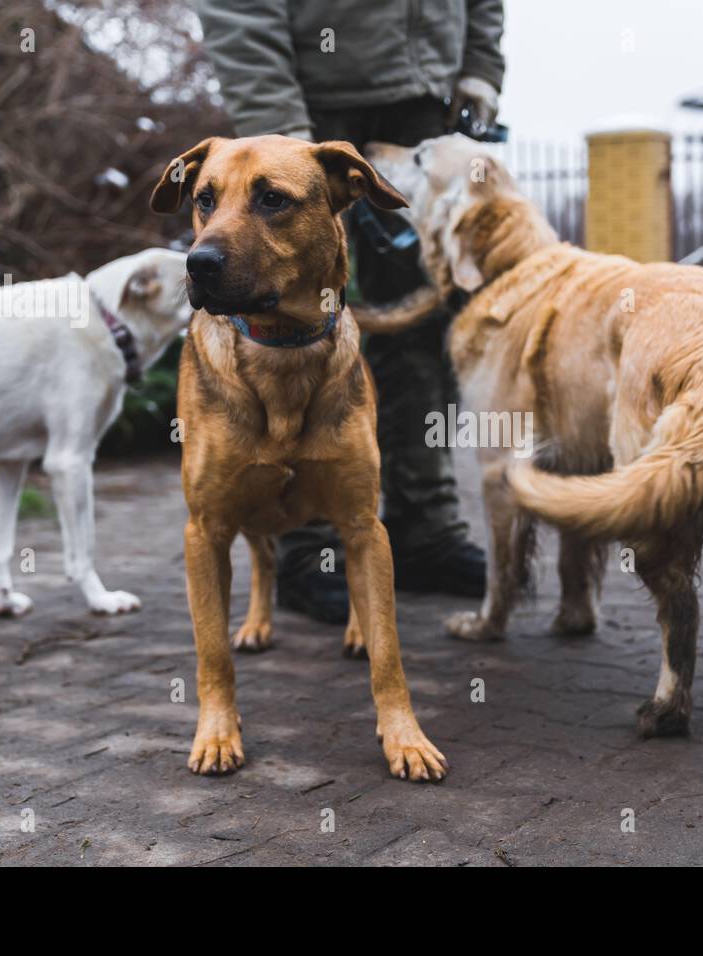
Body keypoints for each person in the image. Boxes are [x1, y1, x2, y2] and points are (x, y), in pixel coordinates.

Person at [194, 0, 505, 623]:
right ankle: (307, 544)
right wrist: (284, 141)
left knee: (422, 320)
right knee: (285, 322)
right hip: (310, 97)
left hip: (424, 101)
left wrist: (480, 64)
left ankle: (425, 529)